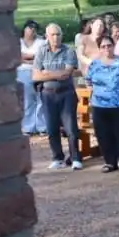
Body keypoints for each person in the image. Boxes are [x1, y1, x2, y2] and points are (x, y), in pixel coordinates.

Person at [32, 23, 83, 170]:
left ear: (62, 36)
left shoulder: (69, 51)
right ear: (47, 36)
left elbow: (66, 74)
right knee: (51, 128)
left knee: (71, 128)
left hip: (66, 93)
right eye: (52, 35)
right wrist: (51, 74)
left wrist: (46, 73)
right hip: (48, 95)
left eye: (58, 34)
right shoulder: (42, 51)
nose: (56, 37)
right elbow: (35, 75)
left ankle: (75, 158)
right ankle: (57, 158)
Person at [84, 34, 119, 173]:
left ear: (114, 46)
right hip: (100, 106)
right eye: (103, 46)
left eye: (109, 45)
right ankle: (109, 162)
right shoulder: (94, 64)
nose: (107, 48)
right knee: (103, 134)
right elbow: (88, 81)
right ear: (99, 49)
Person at [18, 20, 46, 137]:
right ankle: (28, 127)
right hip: (22, 72)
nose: (32, 30)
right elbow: (15, 57)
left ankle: (42, 126)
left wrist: (25, 57)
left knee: (40, 99)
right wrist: (31, 58)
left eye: (34, 28)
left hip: (38, 71)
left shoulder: (41, 42)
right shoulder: (18, 42)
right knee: (27, 100)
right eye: (29, 28)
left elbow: (42, 57)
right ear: (24, 29)